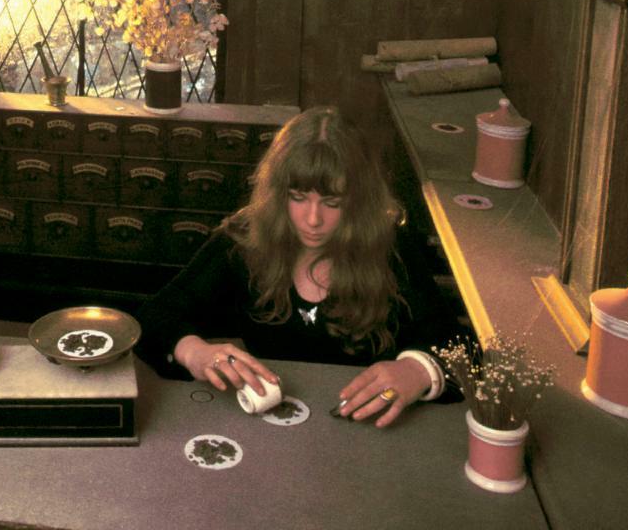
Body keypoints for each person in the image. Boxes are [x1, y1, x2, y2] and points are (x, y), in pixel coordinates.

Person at [136, 106, 462, 428]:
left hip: (366, 427)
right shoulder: (244, 239)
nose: (313, 219)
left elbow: (459, 348)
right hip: (265, 426)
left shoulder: (392, 249)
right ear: (278, 193)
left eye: (332, 202)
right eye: (298, 197)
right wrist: (194, 352)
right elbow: (155, 316)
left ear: (358, 199)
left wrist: (419, 370)